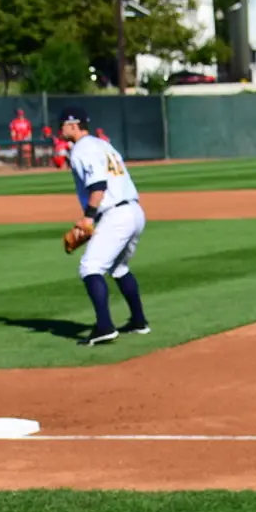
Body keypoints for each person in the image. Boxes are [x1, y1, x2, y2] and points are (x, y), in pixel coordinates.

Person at [60, 106, 150, 345]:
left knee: (90, 267)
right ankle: (139, 321)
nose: (61, 129)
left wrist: (88, 218)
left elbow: (98, 185)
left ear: (72, 125)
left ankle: (104, 326)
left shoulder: (82, 149)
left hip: (115, 214)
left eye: (63, 124)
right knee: (119, 268)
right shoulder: (102, 144)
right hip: (134, 211)